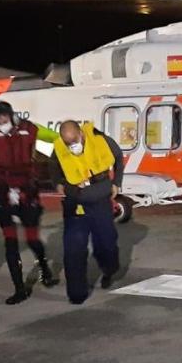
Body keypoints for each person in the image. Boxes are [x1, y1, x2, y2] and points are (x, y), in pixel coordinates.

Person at [0, 101, 60, 304]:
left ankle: (44, 267)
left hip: (28, 190)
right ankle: (19, 288)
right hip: (4, 192)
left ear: (11, 114)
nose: (1, 120)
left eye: (4, 115)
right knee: (10, 242)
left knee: (32, 238)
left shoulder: (30, 128)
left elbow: (56, 138)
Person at [53, 119, 123, 305]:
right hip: (75, 204)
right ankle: (77, 293)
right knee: (73, 250)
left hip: (99, 200)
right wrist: (59, 183)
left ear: (81, 134)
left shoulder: (101, 140)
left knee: (106, 244)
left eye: (74, 141)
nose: (71, 146)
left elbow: (118, 157)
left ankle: (109, 269)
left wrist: (117, 183)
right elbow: (54, 171)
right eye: (67, 143)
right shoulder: (59, 149)